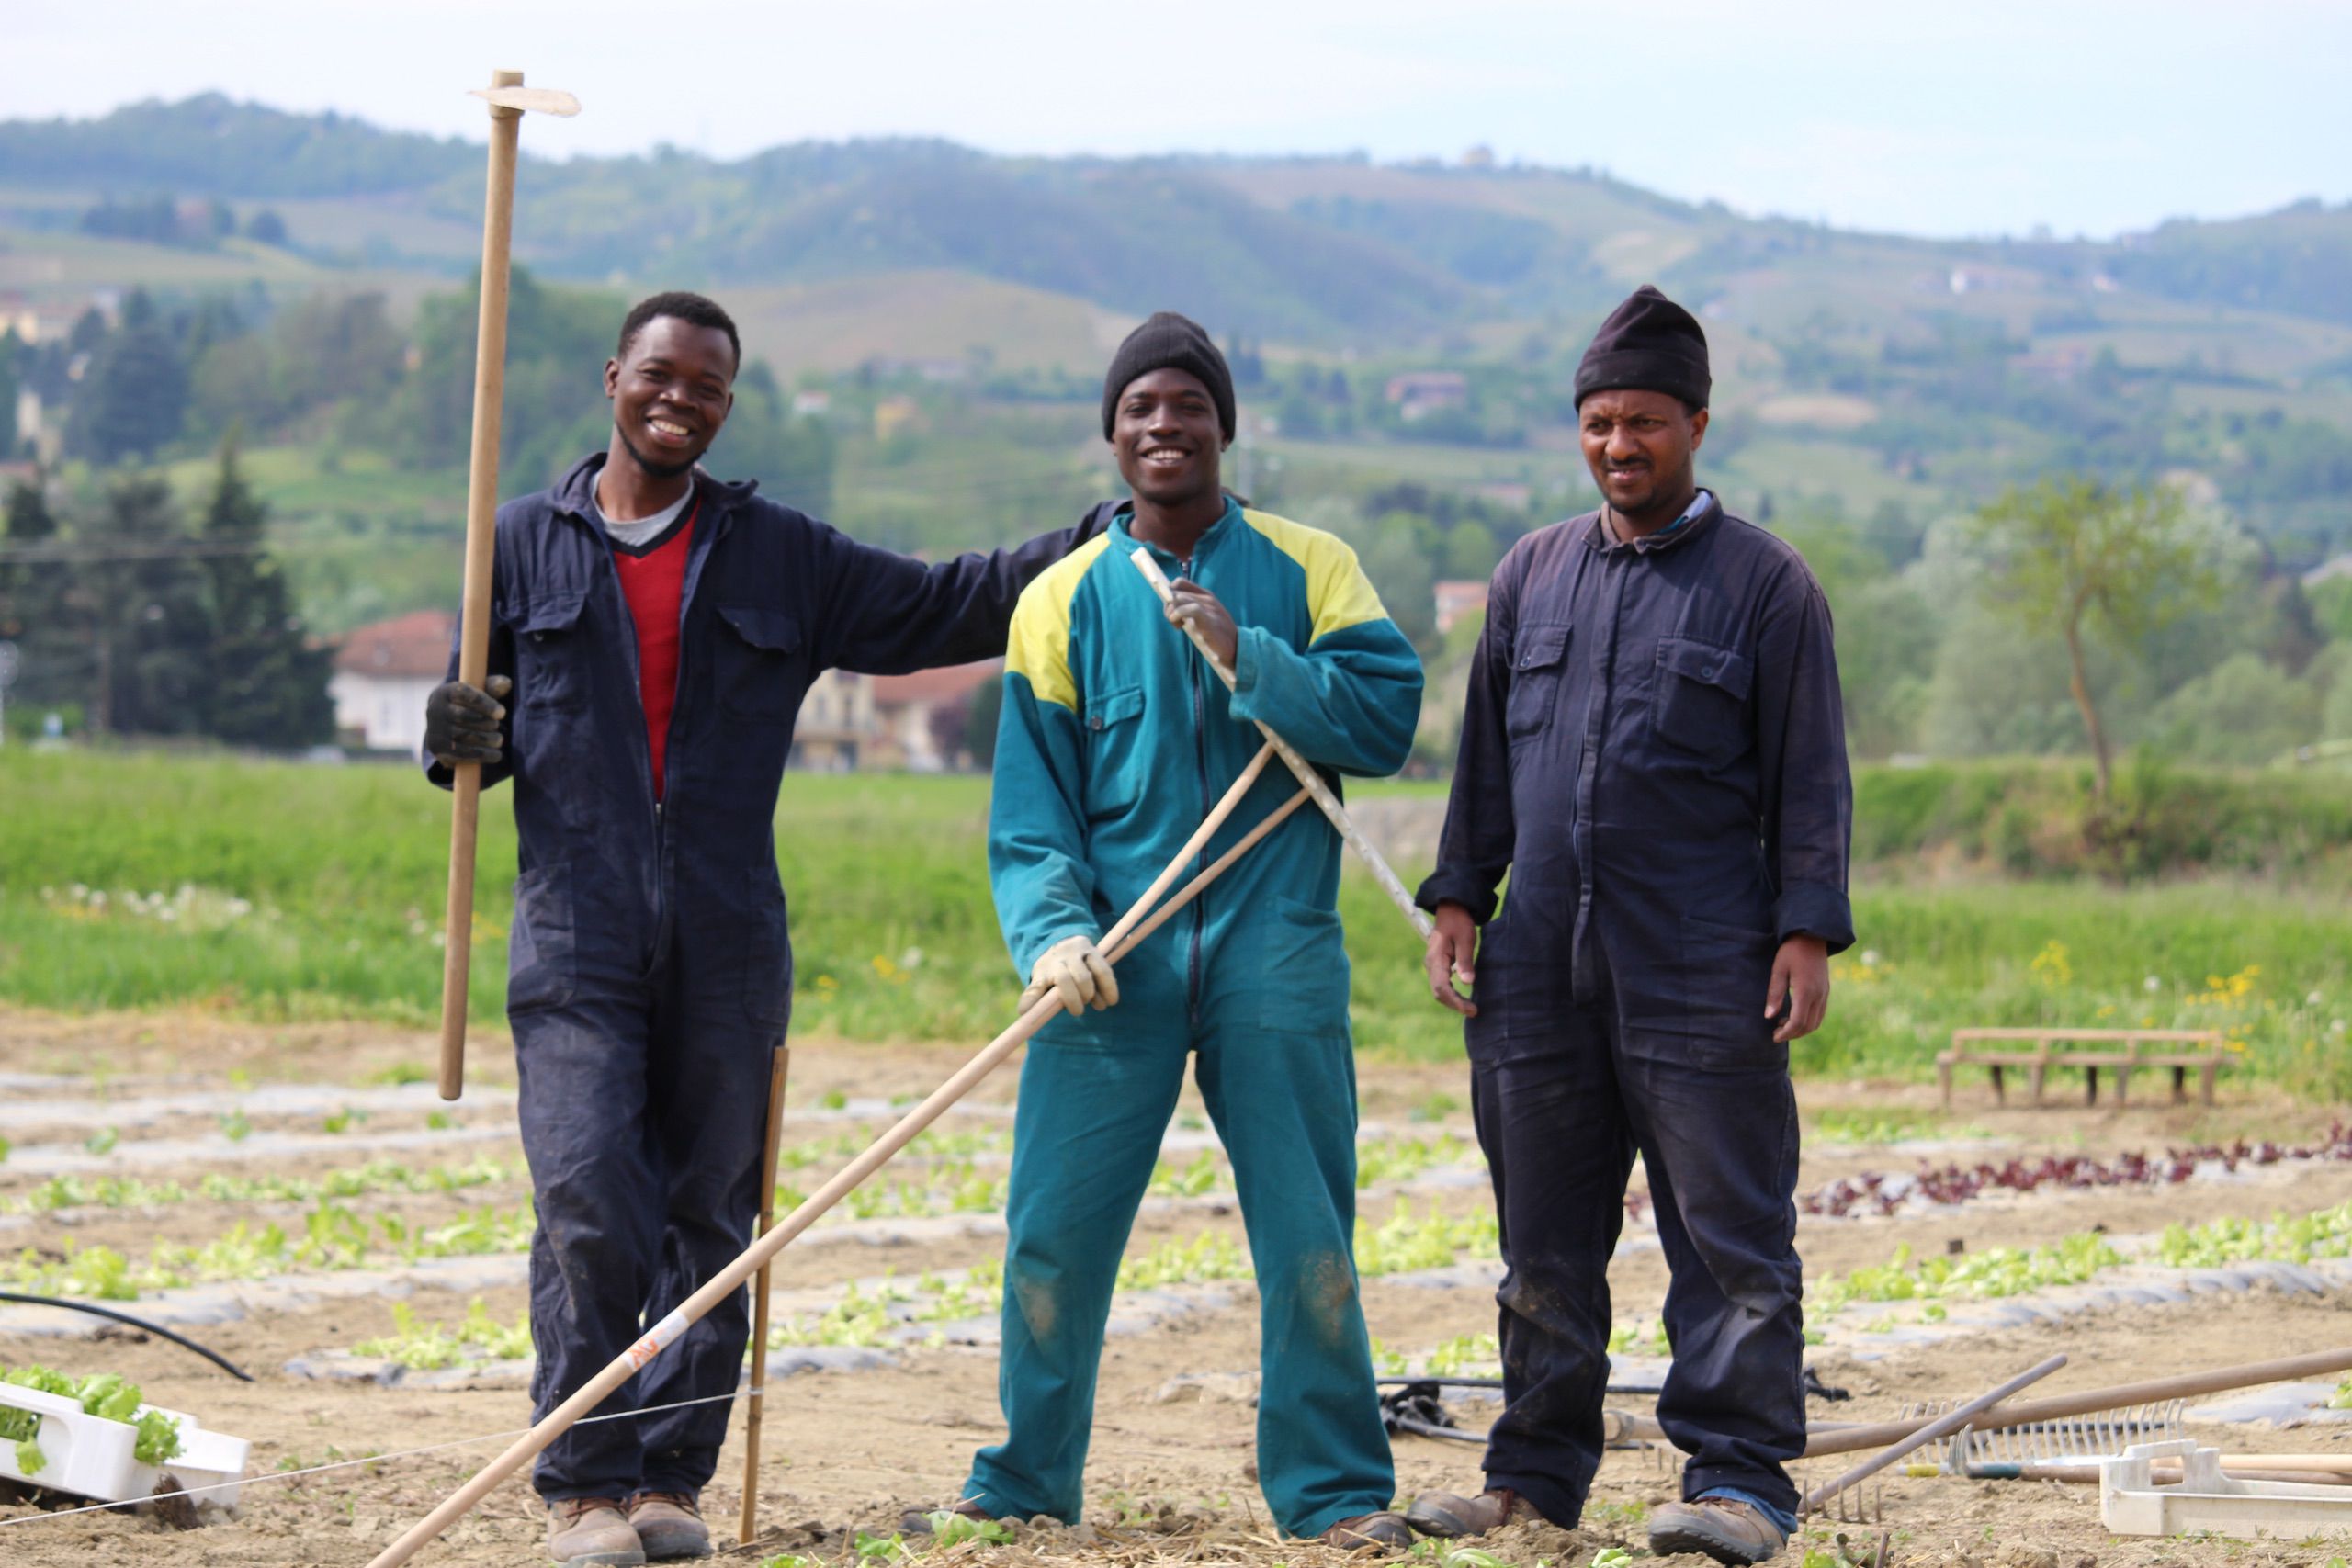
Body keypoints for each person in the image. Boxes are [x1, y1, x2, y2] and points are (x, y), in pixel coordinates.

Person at [421, 291, 1104, 1568]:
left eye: (710, 387)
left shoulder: (774, 552)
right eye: (661, 376)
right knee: (586, 1199)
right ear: (614, 378)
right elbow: (478, 729)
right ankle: (581, 1482)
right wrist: (449, 730)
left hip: (730, 935)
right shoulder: (514, 541)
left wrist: (1090, 541)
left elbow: (940, 604)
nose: (682, 400)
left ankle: (670, 1476)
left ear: (728, 405)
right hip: (574, 932)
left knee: (708, 1217)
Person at [916, 312, 1425, 1549]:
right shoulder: (1061, 600)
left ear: (1222, 426)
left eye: (1186, 405)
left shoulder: (1310, 568)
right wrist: (1050, 931)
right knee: (1054, 1231)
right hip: (1113, 960)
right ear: (1112, 433)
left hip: (1277, 942)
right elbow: (1032, 812)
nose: (1163, 425)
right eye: (1139, 407)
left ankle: (1335, 1493)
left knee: (1310, 1233)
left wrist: (1249, 655)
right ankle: (1027, 1481)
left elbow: (1387, 716)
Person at [1404, 287, 1852, 1567]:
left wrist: (1806, 928)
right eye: (1599, 423)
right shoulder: (1531, 574)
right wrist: (1456, 898)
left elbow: (1812, 778)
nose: (1619, 446)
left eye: (1645, 423)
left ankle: (1740, 1482)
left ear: (1697, 426)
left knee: (1730, 1235)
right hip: (1538, 966)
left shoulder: (1766, 587)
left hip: (1705, 964)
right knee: (1541, 1238)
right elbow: (1484, 765)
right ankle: (1532, 1480)